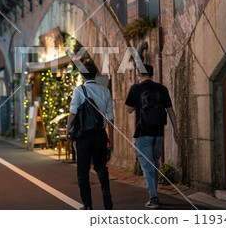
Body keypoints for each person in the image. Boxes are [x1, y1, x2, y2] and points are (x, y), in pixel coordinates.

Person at [125, 64, 180, 209]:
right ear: (152, 74)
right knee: (155, 164)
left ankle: (153, 198)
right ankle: (154, 194)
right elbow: (170, 111)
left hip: (143, 133)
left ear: (139, 74)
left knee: (147, 166)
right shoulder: (162, 89)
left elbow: (130, 109)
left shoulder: (136, 89)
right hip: (159, 133)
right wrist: (175, 130)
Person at [66, 61, 114, 210]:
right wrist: (110, 137)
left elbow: (73, 111)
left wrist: (68, 129)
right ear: (95, 75)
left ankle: (87, 205)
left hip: (84, 137)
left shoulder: (79, 90)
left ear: (82, 75)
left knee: (83, 170)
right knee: (101, 167)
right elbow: (110, 117)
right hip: (99, 134)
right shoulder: (105, 91)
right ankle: (107, 201)